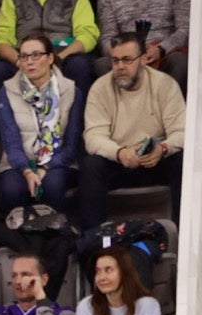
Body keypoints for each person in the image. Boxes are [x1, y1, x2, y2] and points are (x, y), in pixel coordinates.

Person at [79, 31, 185, 227]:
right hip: (119, 160)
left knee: (181, 159)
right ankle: (92, 239)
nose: (120, 66)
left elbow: (181, 132)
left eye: (127, 60)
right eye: (115, 60)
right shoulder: (100, 88)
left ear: (143, 59)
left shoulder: (165, 84)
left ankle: (183, 231)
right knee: (90, 165)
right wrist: (120, 153)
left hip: (155, 159)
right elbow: (93, 137)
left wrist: (163, 149)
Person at [0, 33, 79, 216]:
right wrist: (27, 171)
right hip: (17, 163)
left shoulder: (71, 90)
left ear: (50, 58)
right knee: (12, 189)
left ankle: (54, 231)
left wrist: (45, 168)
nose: (29, 62)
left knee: (53, 185)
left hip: (58, 162)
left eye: (36, 55)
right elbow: (10, 142)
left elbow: (72, 145)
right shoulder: (7, 90)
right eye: (24, 56)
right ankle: (16, 232)